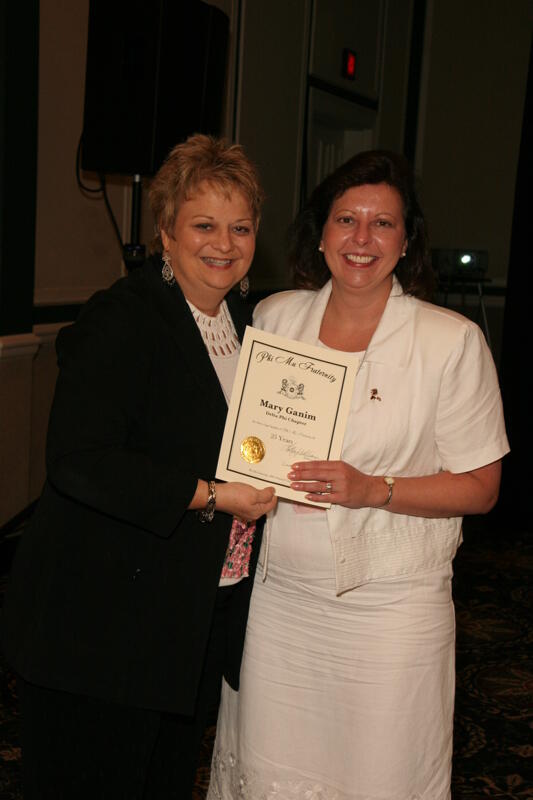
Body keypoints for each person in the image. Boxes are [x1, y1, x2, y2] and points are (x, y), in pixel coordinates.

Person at [208, 150, 509, 800]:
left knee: (379, 776)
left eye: (383, 224)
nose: (362, 239)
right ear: (320, 233)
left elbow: (482, 488)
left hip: (388, 610)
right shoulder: (274, 319)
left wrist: (376, 488)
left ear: (407, 243)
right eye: (346, 219)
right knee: (268, 774)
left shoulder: (447, 342)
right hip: (279, 602)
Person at [0, 134, 277, 799]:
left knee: (159, 780)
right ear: (165, 233)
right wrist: (211, 495)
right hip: (101, 623)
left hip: (185, 616)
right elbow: (81, 462)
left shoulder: (250, 322)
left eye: (240, 227)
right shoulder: (122, 318)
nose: (223, 242)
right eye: (203, 224)